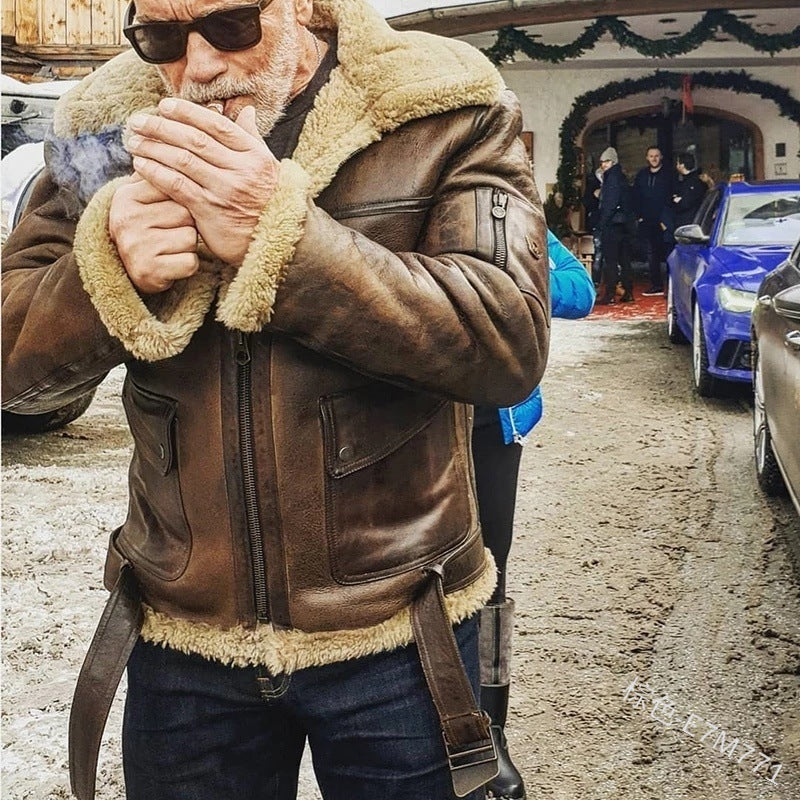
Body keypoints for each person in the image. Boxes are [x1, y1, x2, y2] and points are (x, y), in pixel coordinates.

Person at [1, 1, 552, 799]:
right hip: (184, 640)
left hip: (400, 628)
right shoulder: (101, 130)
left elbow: (508, 343)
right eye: (160, 36)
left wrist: (284, 240)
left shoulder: (438, 103)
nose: (197, 65)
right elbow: (12, 366)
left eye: (229, 25)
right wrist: (105, 269)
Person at [472, 230, 595, 800]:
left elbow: (580, 290)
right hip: (406, 428)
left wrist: (508, 278)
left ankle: (490, 732)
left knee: (489, 581)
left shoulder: (506, 210)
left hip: (491, 428)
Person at [632, 146, 674, 296]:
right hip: (647, 221)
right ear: (647, 158)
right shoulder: (642, 175)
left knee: (670, 254)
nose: (654, 159)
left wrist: (667, 219)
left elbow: (672, 197)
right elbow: (635, 195)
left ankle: (671, 286)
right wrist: (639, 216)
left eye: (656, 156)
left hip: (665, 222)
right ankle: (656, 285)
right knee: (652, 254)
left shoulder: (669, 175)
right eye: (651, 156)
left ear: (661, 157)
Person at [596, 147, 635, 305]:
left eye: (606, 161)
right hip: (624, 223)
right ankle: (628, 292)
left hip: (613, 224)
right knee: (625, 260)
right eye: (602, 162)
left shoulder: (611, 178)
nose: (603, 165)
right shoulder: (622, 177)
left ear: (613, 162)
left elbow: (610, 203)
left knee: (611, 260)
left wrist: (603, 221)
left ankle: (610, 294)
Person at [673, 152, 707, 227]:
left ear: (682, 165)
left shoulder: (692, 183)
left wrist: (677, 201)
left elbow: (685, 203)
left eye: (678, 163)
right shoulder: (688, 181)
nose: (676, 165)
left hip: (689, 223)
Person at [582, 166, 603, 284]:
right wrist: (595, 197)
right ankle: (596, 279)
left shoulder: (615, 181)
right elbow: (586, 201)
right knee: (598, 252)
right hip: (597, 221)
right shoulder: (593, 184)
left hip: (611, 223)